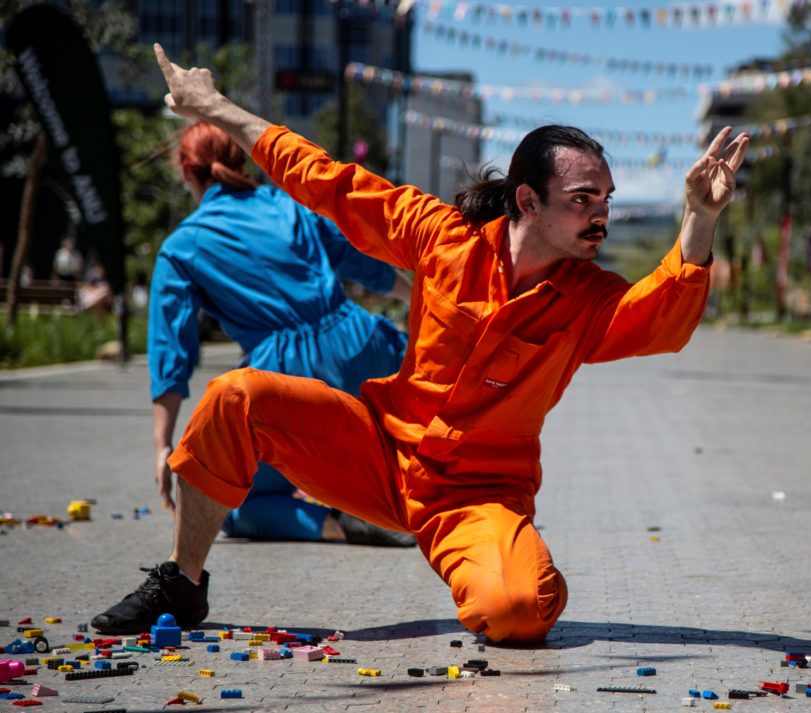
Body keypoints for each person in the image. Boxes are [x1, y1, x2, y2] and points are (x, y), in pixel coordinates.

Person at [91, 44, 749, 642]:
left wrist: (699, 216)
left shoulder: (586, 296)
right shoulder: (441, 235)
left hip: (478, 496)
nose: (601, 213)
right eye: (583, 198)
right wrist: (215, 107)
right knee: (235, 397)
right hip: (379, 453)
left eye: (606, 198)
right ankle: (183, 578)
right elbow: (323, 178)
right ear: (527, 200)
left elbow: (661, 317)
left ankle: (506, 552)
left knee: (520, 610)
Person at [146, 121, 416, 548]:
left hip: (285, 373)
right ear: (241, 159)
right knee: (404, 447)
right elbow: (359, 260)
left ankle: (337, 524)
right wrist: (414, 294)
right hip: (363, 343)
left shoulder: (181, 247)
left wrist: (163, 446)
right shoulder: (291, 204)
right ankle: (423, 500)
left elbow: (171, 350)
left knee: (227, 502)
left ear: (186, 174)